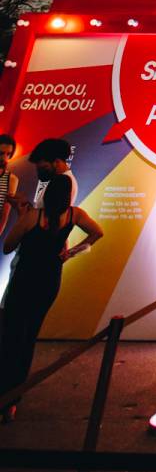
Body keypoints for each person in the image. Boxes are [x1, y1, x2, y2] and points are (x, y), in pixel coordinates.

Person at [0, 174, 103, 421]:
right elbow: (98, 233)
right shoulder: (73, 215)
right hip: (48, 282)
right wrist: (71, 253)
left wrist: (21, 217)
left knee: (11, 336)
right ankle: (14, 400)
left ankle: (5, 393)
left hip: (24, 281)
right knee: (28, 338)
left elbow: (8, 246)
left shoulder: (34, 217)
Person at [28, 139, 78, 208]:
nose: (40, 173)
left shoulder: (63, 184)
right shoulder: (58, 180)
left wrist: (24, 206)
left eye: (44, 168)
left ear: (57, 162)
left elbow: (48, 216)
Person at [0, 135, 20, 236]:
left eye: (8, 154)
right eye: (1, 153)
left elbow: (5, 213)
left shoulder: (12, 179)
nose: (4, 158)